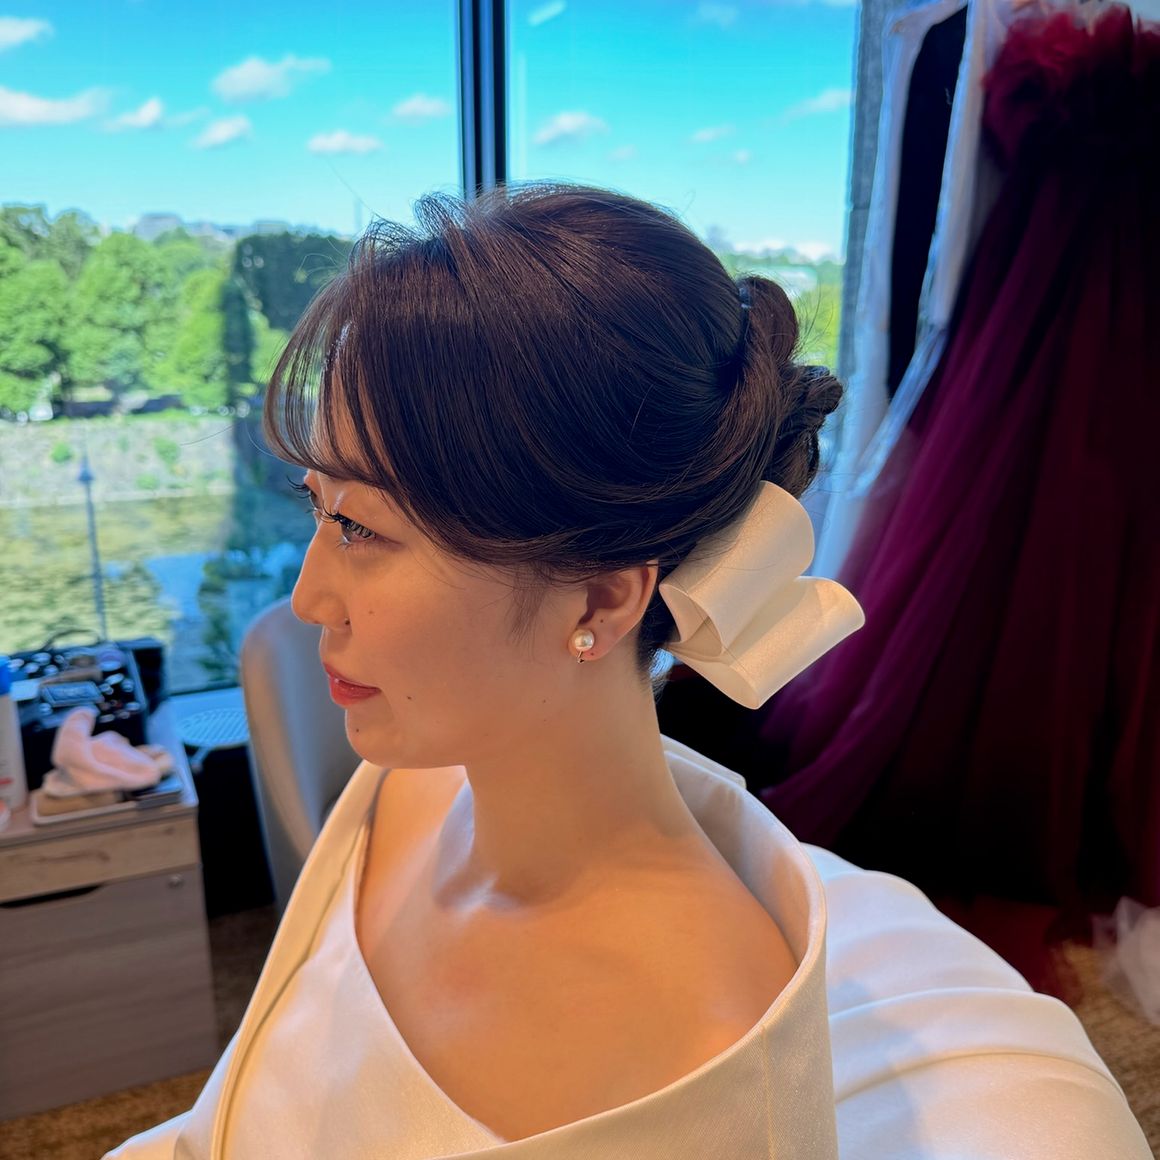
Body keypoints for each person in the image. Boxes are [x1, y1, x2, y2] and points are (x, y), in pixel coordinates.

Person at [107, 183, 1151, 1159]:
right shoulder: (400, 791)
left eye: (362, 528)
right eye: (315, 506)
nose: (307, 597)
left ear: (601, 601)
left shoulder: (704, 1054)